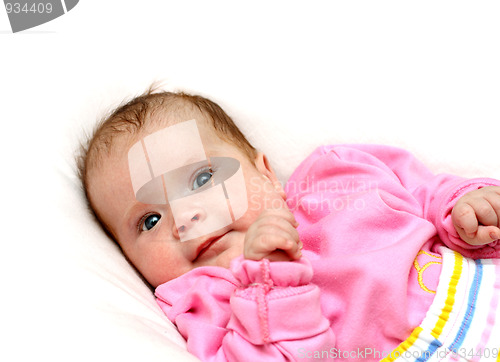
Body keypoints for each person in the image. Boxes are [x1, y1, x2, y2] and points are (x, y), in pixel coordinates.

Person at [77, 87, 500, 361]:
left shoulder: (334, 177)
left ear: (264, 174)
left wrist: (465, 207)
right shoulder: (201, 304)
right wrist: (270, 287)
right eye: (150, 220)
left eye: (203, 178)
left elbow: (424, 190)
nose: (186, 216)